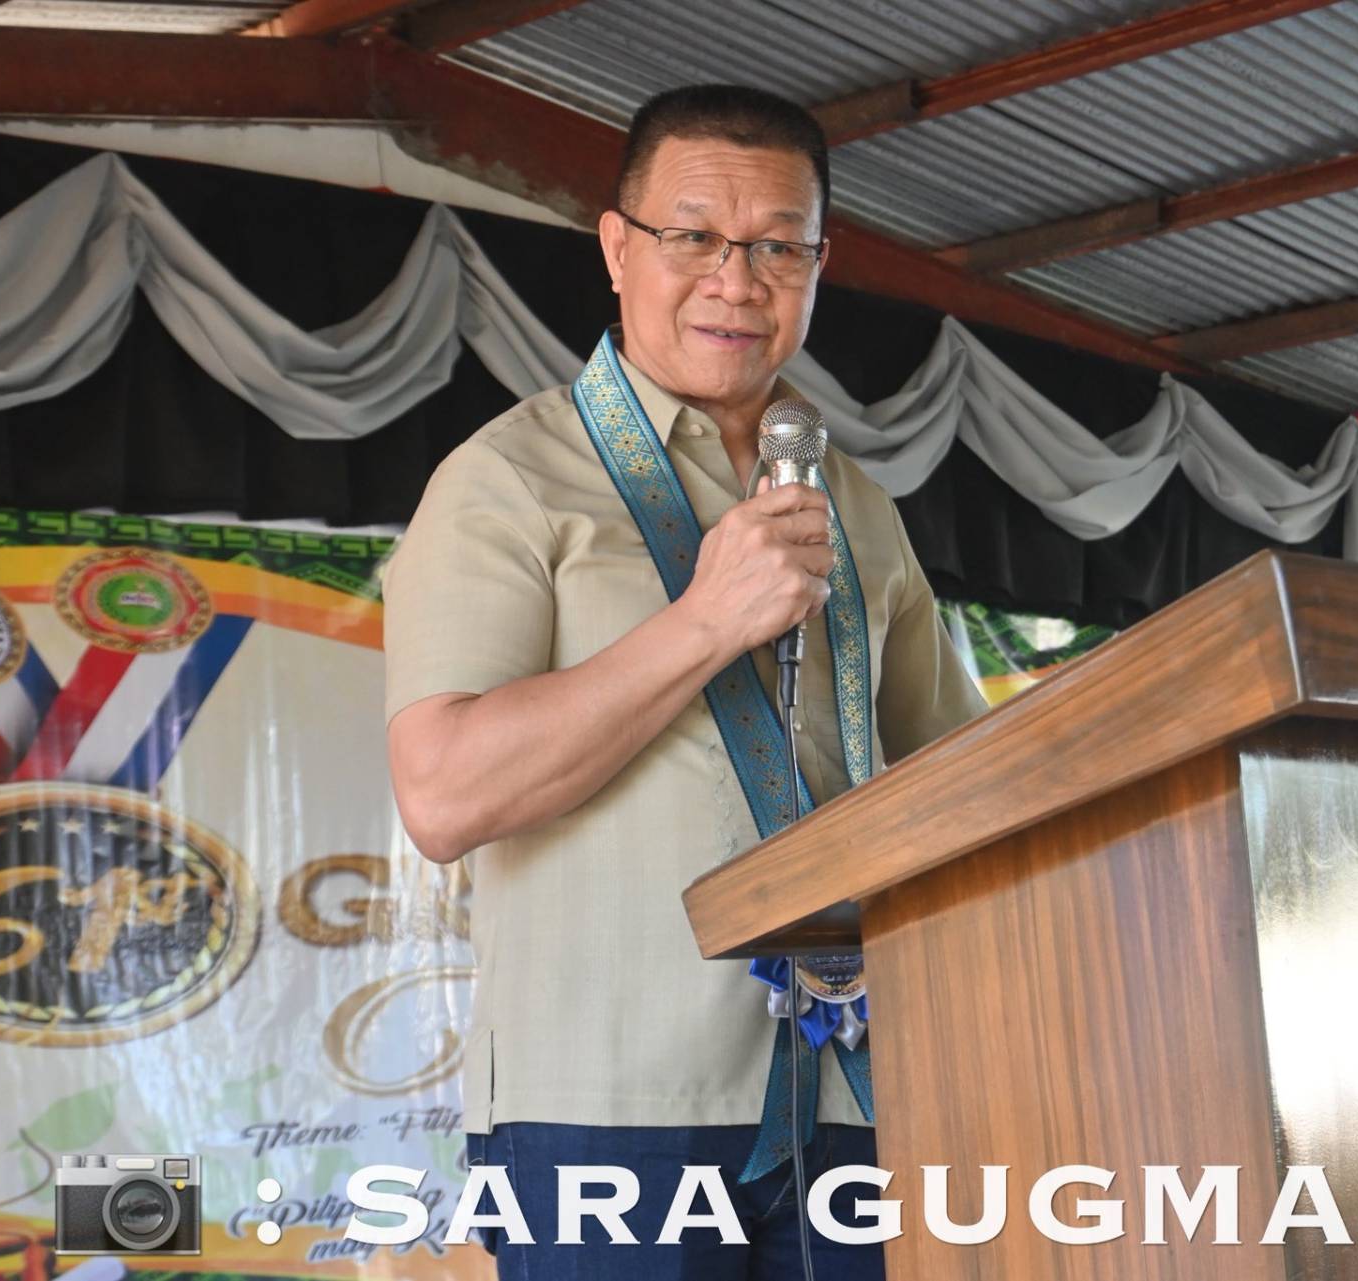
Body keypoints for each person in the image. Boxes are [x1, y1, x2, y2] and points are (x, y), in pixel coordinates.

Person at [382, 83, 986, 1279]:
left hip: (855, 1093)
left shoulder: (858, 505)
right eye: (694, 236)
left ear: (818, 264)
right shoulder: (508, 479)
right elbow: (444, 794)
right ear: (618, 249)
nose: (736, 281)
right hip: (609, 1104)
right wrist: (705, 623)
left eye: (777, 247)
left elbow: (961, 779)